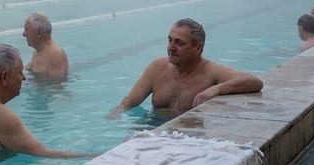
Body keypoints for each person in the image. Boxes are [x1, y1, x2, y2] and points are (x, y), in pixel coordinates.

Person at [109, 18, 264, 118]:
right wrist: (115, 116)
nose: (171, 47)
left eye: (179, 43)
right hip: (151, 130)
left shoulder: (210, 71)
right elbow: (128, 103)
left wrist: (217, 89)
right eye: (170, 41)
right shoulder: (157, 67)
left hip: (186, 136)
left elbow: (254, 82)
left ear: (198, 48)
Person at [22, 12, 69, 80]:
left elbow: (57, 87)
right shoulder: (37, 51)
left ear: (39, 32)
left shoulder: (55, 54)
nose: (23, 34)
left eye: (26, 29)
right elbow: (26, 70)